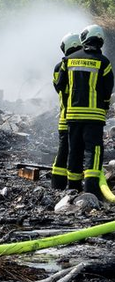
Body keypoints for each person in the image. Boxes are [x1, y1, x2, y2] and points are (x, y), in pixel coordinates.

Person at [60, 23, 113, 208]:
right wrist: (104, 106)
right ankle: (91, 188)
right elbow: (108, 89)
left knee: (74, 150)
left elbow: (61, 85)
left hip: (73, 115)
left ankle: (73, 188)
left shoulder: (69, 60)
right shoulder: (104, 62)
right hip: (94, 117)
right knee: (94, 151)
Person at [51, 32, 83, 193]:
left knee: (63, 152)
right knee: (76, 152)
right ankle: (74, 186)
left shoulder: (60, 66)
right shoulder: (84, 64)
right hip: (80, 118)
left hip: (65, 117)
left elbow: (58, 87)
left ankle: (57, 185)